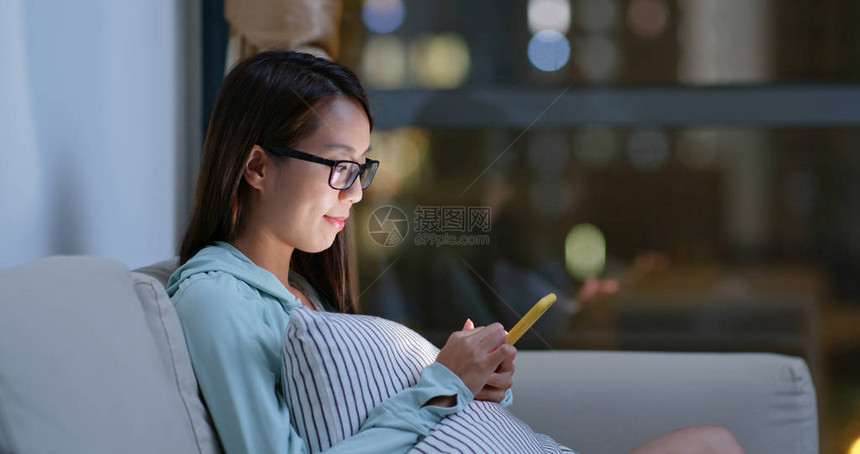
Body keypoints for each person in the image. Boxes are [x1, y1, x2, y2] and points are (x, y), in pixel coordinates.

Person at [167, 50, 746, 454]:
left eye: (363, 168)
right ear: (257, 166)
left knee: (711, 444)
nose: (358, 192)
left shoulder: (306, 294)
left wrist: (471, 387)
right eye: (341, 167)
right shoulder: (215, 299)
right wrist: (443, 386)